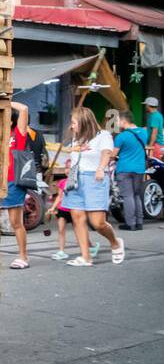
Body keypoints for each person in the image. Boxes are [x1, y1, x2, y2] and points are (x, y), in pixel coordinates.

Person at [62, 106, 125, 266]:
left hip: (94, 179)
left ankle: (115, 243)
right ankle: (86, 257)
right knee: (77, 218)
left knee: (98, 223)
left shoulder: (102, 135)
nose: (72, 126)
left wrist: (100, 168)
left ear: (84, 122)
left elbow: (106, 153)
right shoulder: (77, 138)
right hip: (75, 178)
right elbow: (75, 155)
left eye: (74, 122)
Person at [1, 101, 31, 269]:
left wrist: (5, 100)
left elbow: (24, 108)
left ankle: (23, 257)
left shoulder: (17, 134)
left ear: (11, 120)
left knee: (15, 222)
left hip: (13, 182)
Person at [112, 109, 149, 232]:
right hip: (139, 169)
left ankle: (130, 223)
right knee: (136, 195)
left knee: (128, 196)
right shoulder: (143, 133)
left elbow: (113, 155)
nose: (117, 123)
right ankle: (139, 222)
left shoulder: (121, 136)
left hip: (124, 169)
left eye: (117, 121)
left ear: (123, 121)